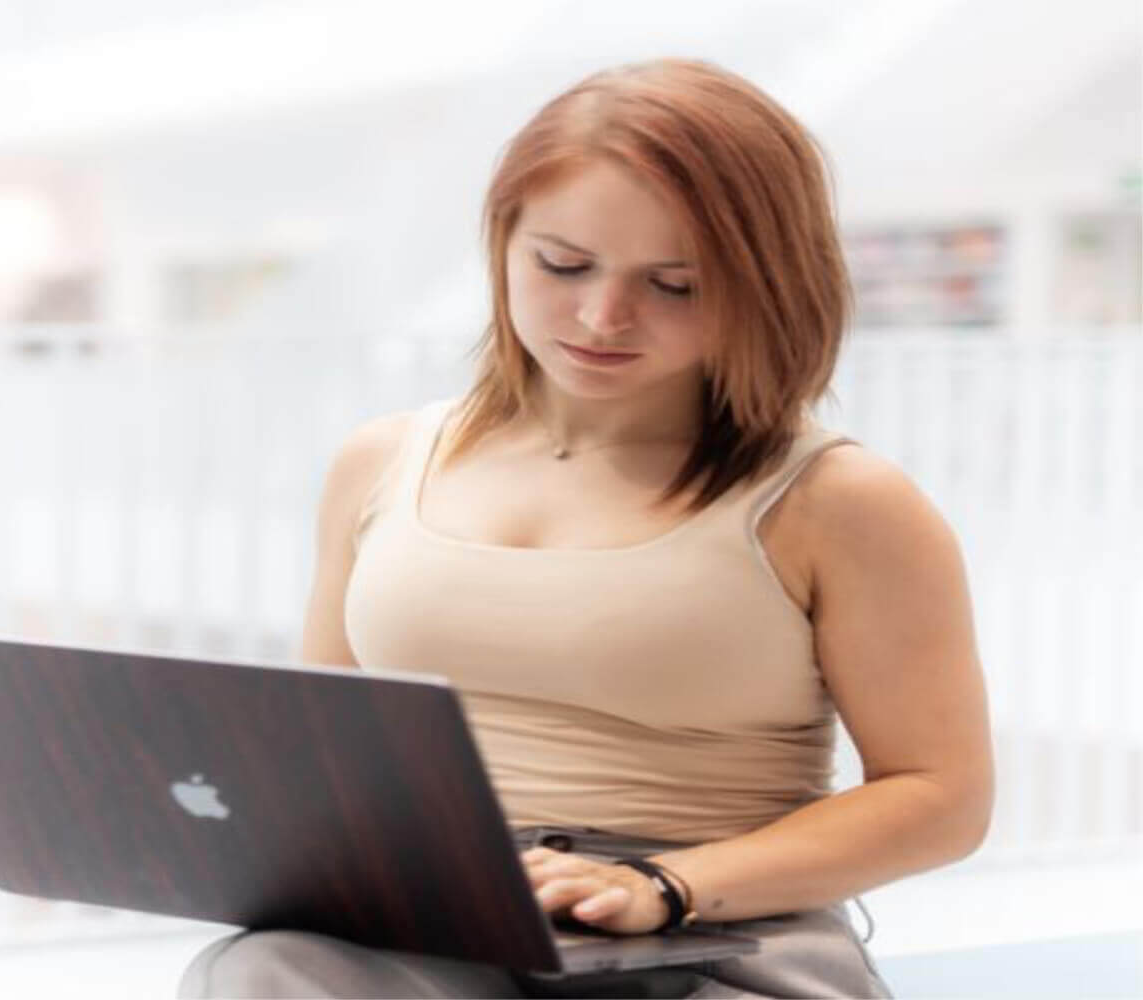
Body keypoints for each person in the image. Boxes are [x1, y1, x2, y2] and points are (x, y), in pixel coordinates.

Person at [176, 58, 994, 998]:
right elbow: (325, 751)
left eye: (676, 285)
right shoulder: (381, 462)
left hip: (716, 932)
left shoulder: (838, 502)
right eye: (562, 265)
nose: (604, 316)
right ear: (503, 244)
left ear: (765, 285)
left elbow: (941, 798)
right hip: (441, 922)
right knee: (265, 974)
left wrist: (666, 885)